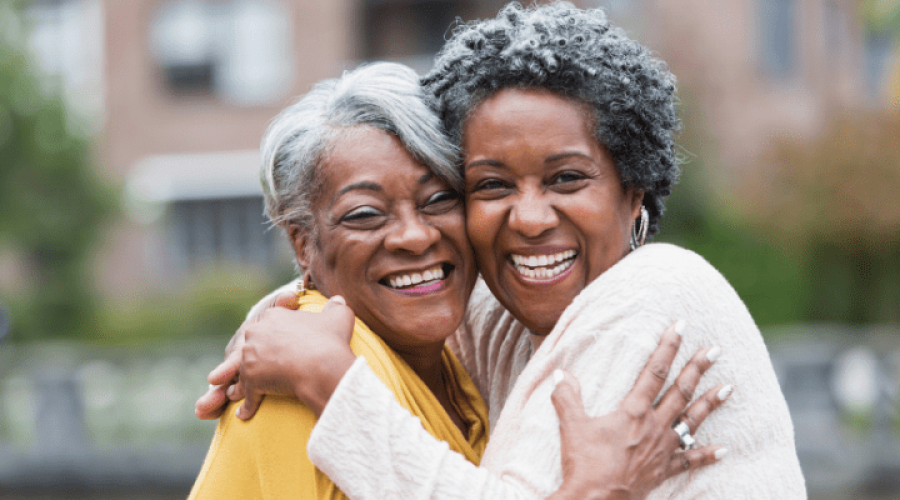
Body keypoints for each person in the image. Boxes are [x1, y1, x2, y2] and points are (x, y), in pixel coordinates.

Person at [201, 3, 807, 498]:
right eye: (492, 185)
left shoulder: (657, 294)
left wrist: (330, 378)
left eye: (566, 178)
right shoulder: (507, 312)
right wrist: (281, 315)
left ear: (634, 193)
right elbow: (402, 281)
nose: (531, 218)